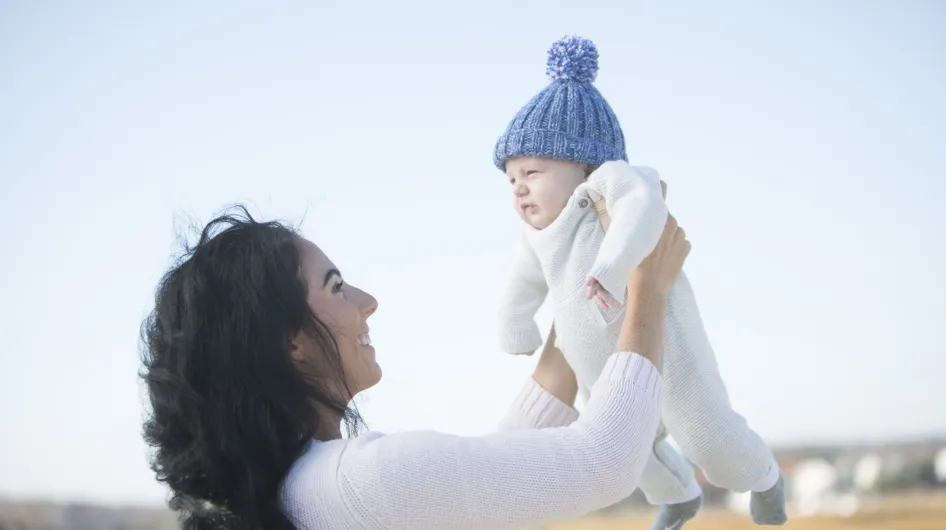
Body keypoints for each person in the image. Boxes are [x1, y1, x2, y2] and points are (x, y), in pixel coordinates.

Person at [140, 203, 690, 529]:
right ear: (289, 342)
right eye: (336, 286)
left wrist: (580, 301)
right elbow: (605, 462)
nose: (367, 300)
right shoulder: (358, 481)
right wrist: (649, 286)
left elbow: (478, 475)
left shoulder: (304, 492)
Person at [493, 35, 786, 527]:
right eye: (511, 178)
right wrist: (516, 324)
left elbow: (644, 213)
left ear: (583, 163)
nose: (519, 186)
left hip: (669, 352)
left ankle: (765, 477)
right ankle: (680, 495)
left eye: (532, 170)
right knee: (628, 454)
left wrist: (610, 268)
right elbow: (521, 282)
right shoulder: (537, 234)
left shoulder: (613, 184)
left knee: (709, 437)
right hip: (602, 370)